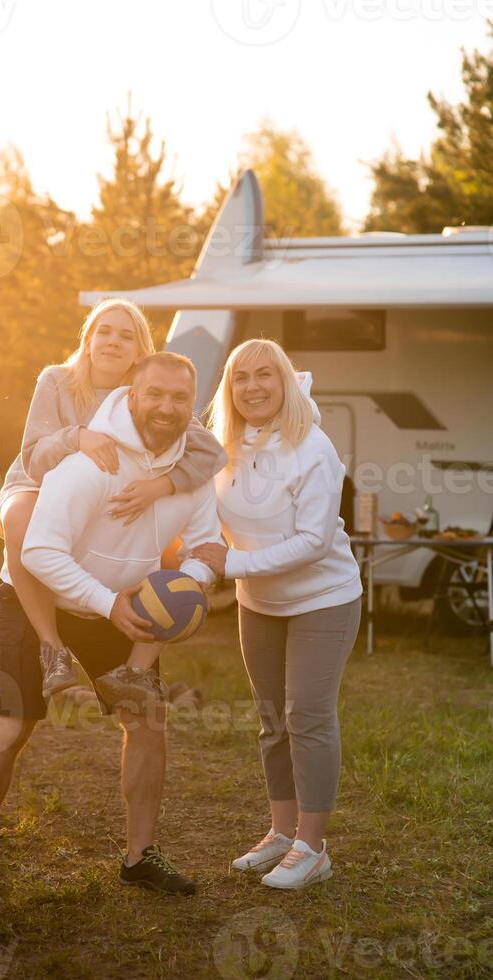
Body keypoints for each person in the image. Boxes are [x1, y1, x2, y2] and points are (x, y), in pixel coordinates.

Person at [0, 351, 226, 900]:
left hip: (123, 603)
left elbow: (206, 542)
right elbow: (40, 552)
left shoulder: (188, 476)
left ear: (191, 406)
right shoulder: (89, 464)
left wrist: (190, 584)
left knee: (147, 718)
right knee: (12, 724)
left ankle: (139, 856)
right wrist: (108, 603)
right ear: (130, 396)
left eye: (179, 398)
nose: (166, 407)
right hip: (44, 599)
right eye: (154, 394)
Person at [0, 297, 225, 701]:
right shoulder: (57, 380)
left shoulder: (145, 393)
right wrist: (77, 437)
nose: (113, 341)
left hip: (108, 493)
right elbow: (34, 456)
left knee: (168, 546)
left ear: (140, 351)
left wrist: (162, 486)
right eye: (104, 331)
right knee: (21, 522)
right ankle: (51, 646)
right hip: (35, 482)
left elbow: (209, 451)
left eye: (127, 335)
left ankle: (138, 667)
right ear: (88, 339)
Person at [192, 338, 362, 891]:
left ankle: (314, 849)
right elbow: (197, 512)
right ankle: (283, 833)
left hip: (323, 597)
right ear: (230, 389)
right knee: (272, 719)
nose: (254, 387)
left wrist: (233, 562)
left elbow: (314, 541)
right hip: (258, 601)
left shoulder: (313, 447)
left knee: (307, 715)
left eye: (266, 375)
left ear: (285, 382)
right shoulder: (226, 447)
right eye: (242, 378)